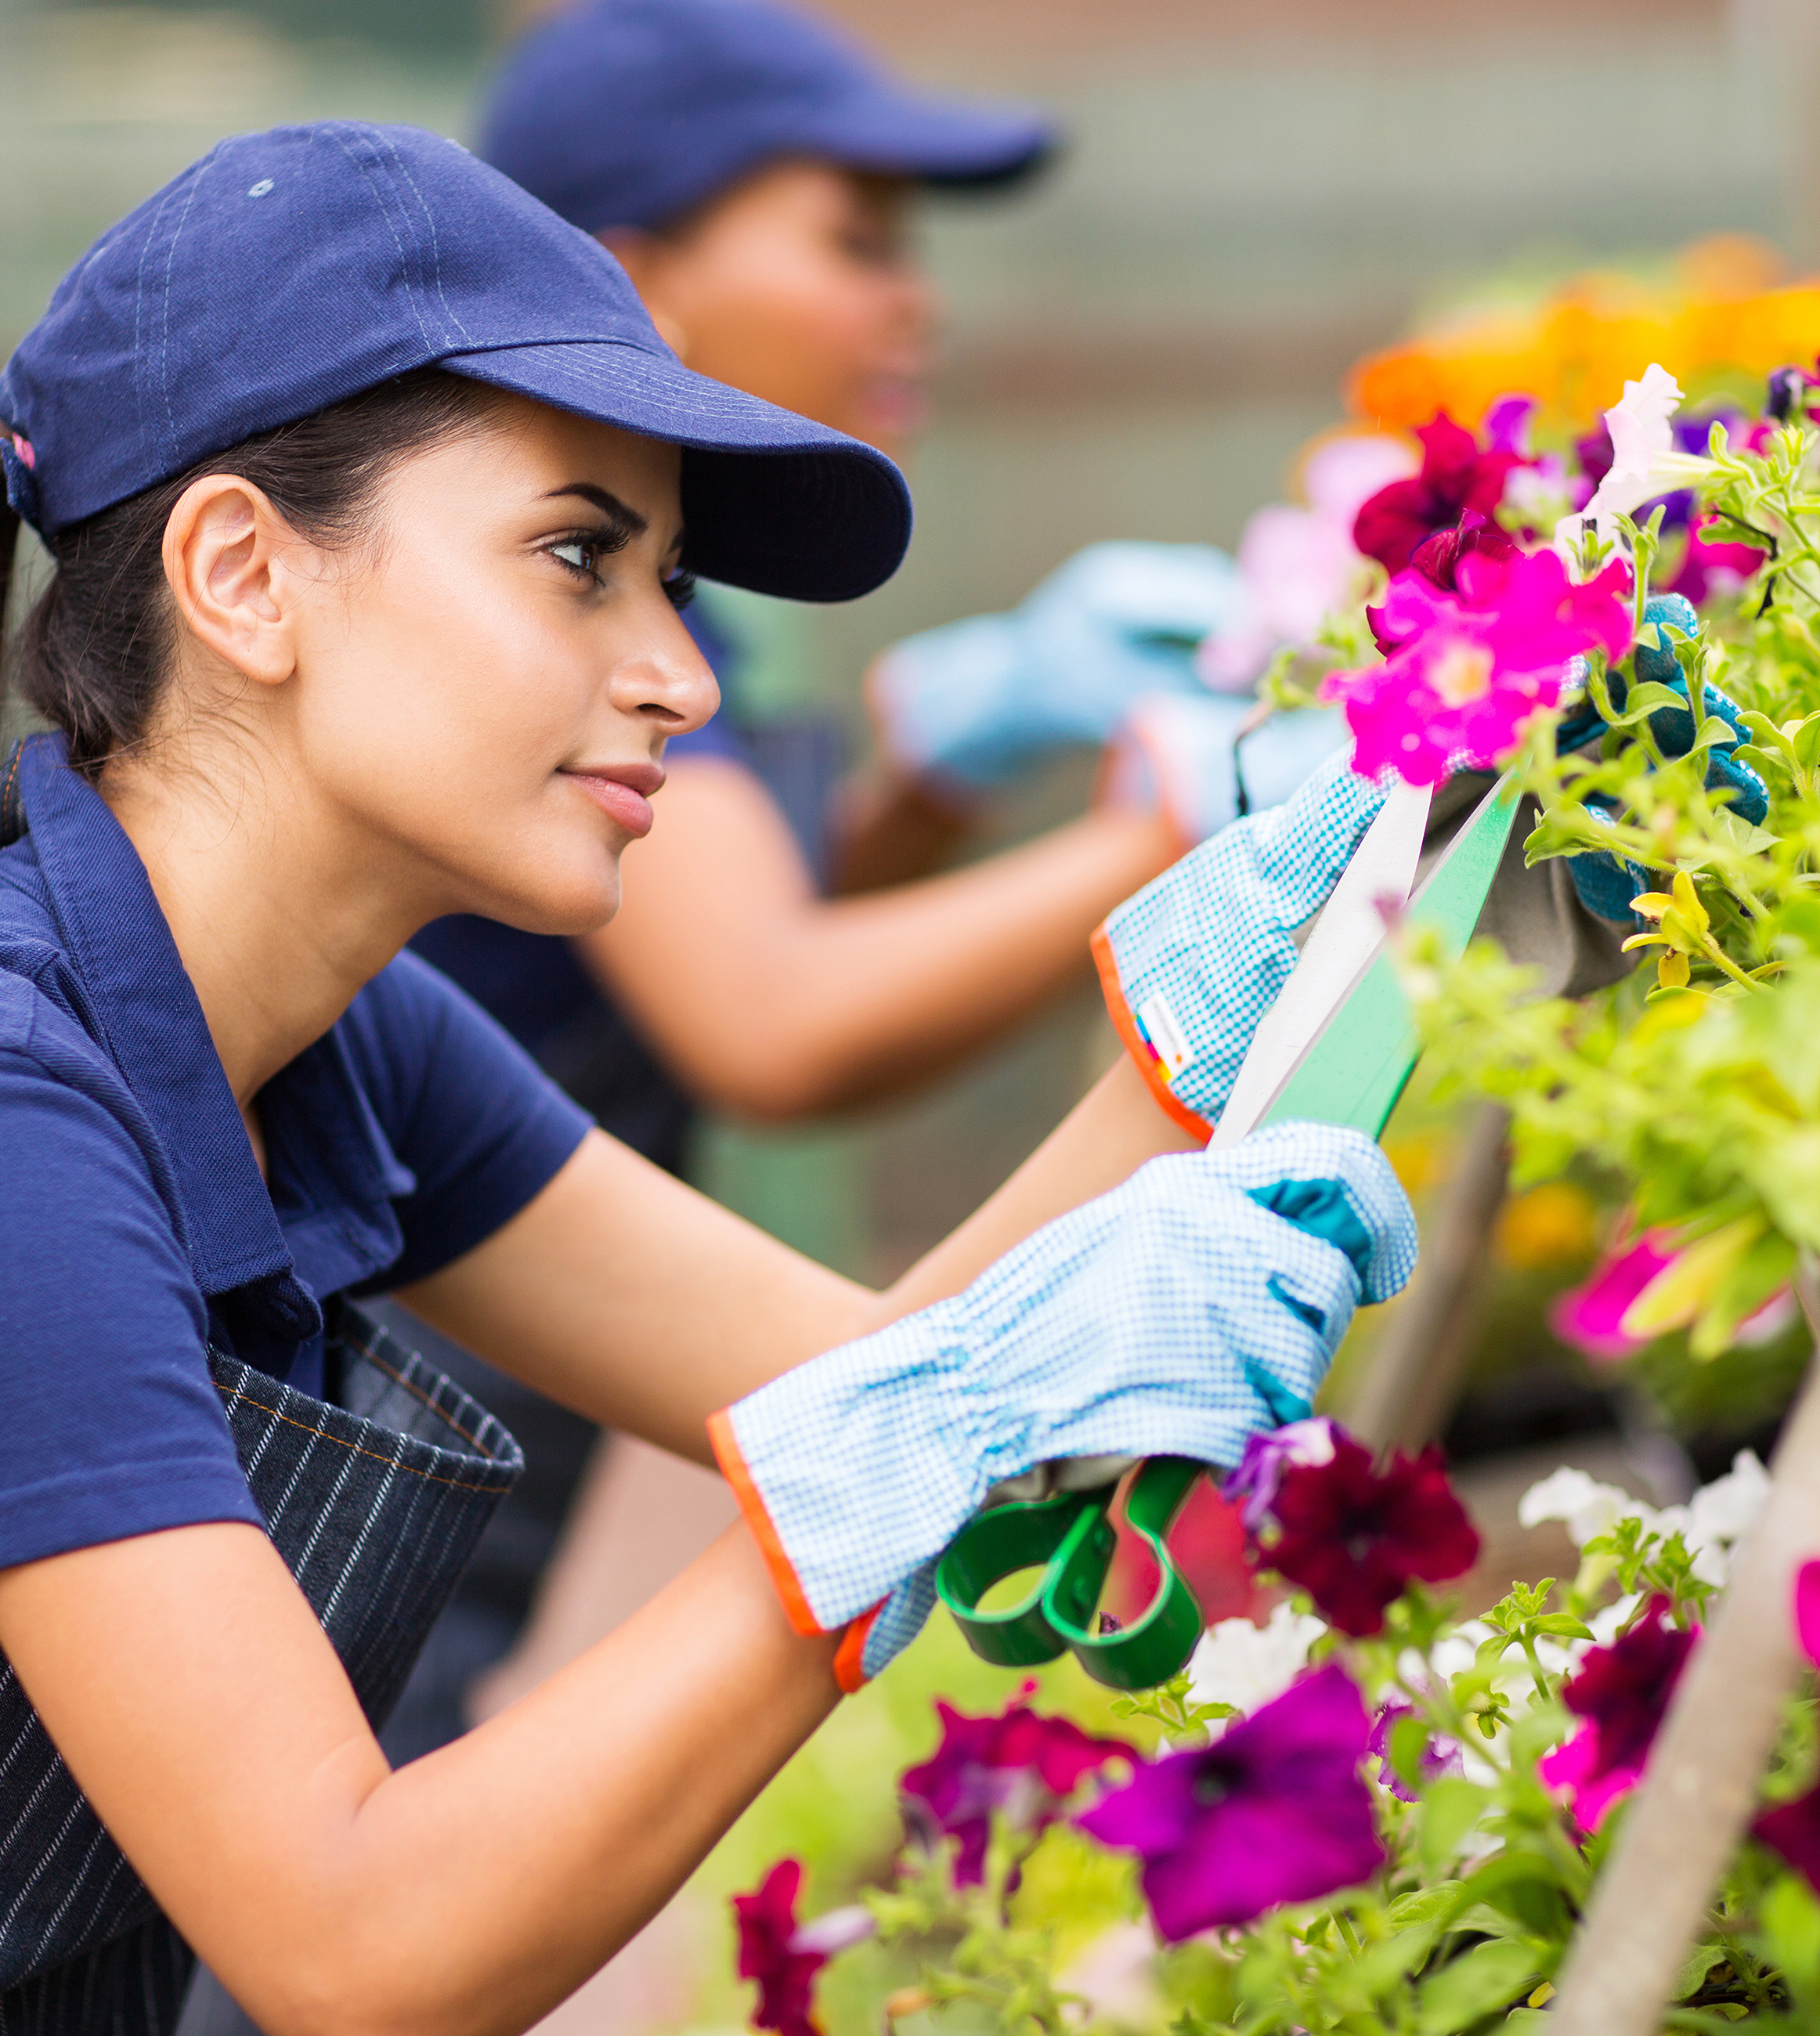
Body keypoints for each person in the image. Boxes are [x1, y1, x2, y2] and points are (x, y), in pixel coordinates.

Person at [0, 125, 1417, 2036]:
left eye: (670, 585)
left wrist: (1203, 1029)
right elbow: (358, 1947)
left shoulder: (338, 1040)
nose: (682, 680)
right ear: (242, 574)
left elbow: (851, 1372)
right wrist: (934, 1430)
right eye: (575, 556)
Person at [385, 0, 1271, 1781]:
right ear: (633, 278)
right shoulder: (552, 642)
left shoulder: (640, 617)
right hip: (356, 1439)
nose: (913, 301)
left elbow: (702, 927)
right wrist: (1174, 833)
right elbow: (767, 1014)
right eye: (856, 243)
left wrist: (932, 781)